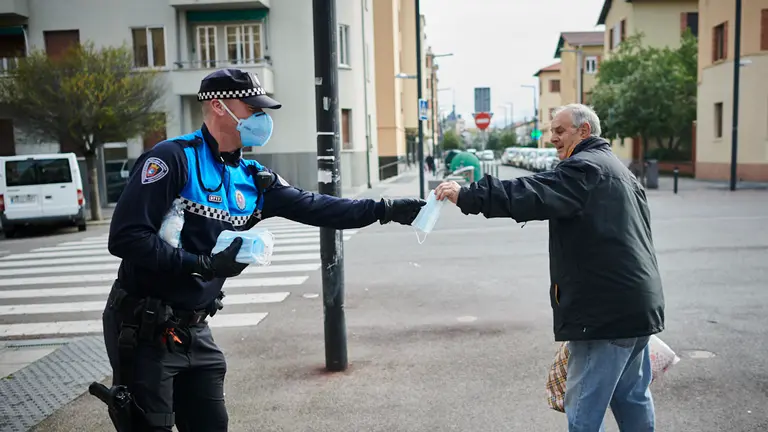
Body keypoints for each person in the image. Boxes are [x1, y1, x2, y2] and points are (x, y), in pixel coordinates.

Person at [101, 68, 426, 432]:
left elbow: (318, 206)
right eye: (252, 108)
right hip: (143, 327)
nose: (262, 118)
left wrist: (386, 209)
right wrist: (203, 264)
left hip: (193, 327)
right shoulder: (173, 159)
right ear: (219, 107)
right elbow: (126, 238)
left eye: (263, 109)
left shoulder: (253, 178)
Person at [435, 103, 664, 431]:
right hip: (638, 306)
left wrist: (469, 195)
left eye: (559, 131)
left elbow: (533, 192)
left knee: (584, 403)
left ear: (584, 132)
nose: (551, 138)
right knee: (631, 395)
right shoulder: (619, 170)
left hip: (606, 314)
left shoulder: (584, 169)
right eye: (550, 131)